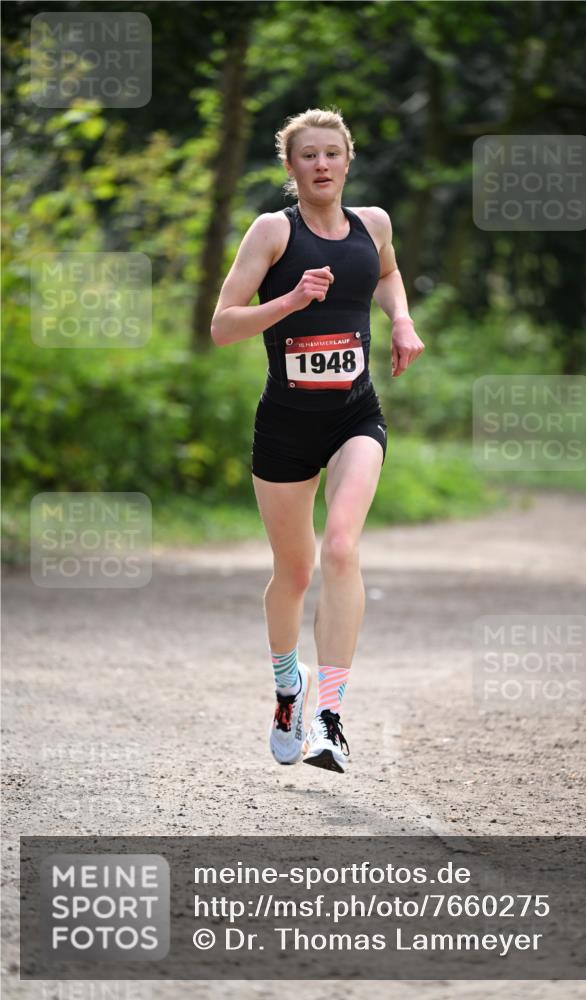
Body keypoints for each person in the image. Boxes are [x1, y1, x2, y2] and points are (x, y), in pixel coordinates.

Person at [211, 107, 424, 773]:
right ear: (290, 167)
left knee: (340, 548)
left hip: (353, 416)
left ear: (348, 160)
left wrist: (401, 321)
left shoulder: (374, 225)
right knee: (294, 572)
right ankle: (286, 689)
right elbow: (223, 325)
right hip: (284, 425)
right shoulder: (273, 232)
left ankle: (329, 717)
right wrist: (290, 302)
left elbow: (386, 275)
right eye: (309, 155)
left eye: (332, 153)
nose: (322, 164)